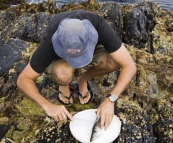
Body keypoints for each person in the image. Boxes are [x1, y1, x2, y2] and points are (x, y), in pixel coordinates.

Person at [17, 10, 136, 130]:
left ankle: (82, 80)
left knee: (113, 61)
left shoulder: (99, 26)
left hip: (90, 46)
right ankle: (64, 83)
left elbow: (130, 66)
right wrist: (47, 106)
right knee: (63, 75)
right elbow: (23, 79)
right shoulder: (50, 42)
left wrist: (111, 99)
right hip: (61, 55)